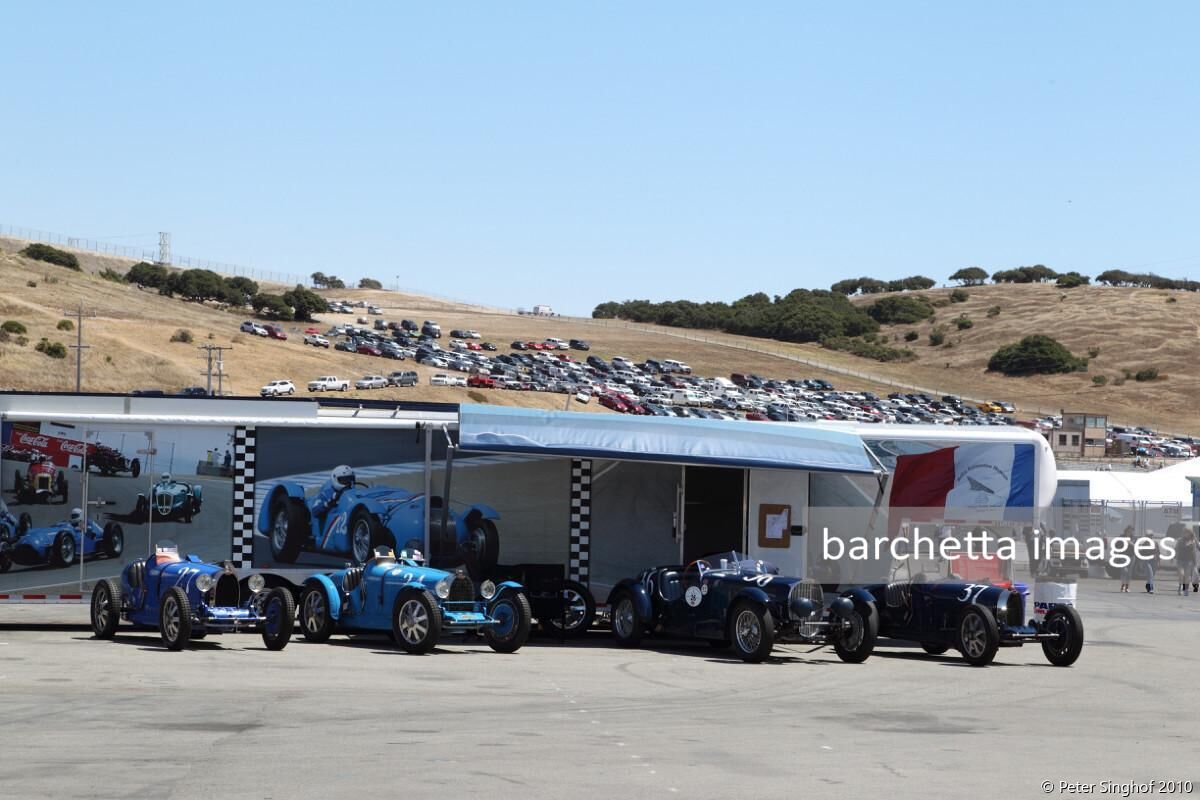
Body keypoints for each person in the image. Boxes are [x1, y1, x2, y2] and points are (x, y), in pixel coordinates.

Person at [1172, 525, 1196, 596]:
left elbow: (1194, 552)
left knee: (1187, 576)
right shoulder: (1180, 540)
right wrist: (1173, 557)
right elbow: (1176, 549)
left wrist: (1195, 562)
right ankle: (1180, 587)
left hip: (1189, 561)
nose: (1186, 533)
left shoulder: (1193, 541)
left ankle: (1186, 589)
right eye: (1185, 532)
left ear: (1190, 533)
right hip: (1180, 560)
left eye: (1188, 532)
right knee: (1181, 575)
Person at [1115, 525, 1134, 593]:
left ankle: (1127, 587)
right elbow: (1116, 545)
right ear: (1126, 530)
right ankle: (1122, 587)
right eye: (1129, 530)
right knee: (1124, 571)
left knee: (1129, 573)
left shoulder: (1133, 538)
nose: (1130, 532)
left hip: (1131, 556)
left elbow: (1136, 547)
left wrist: (1132, 544)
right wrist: (1123, 543)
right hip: (1123, 556)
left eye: (1131, 530)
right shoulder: (1122, 537)